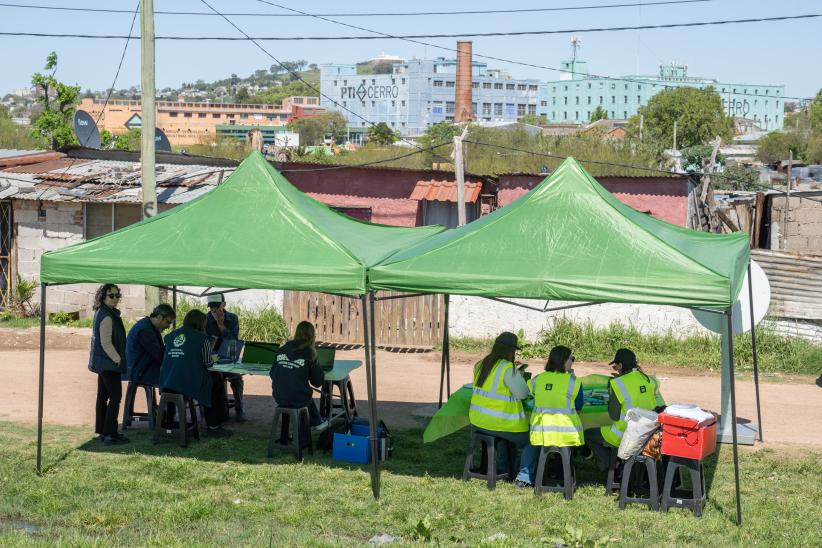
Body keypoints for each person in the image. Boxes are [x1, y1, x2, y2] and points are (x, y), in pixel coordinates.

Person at [468, 331, 535, 488]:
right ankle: (523, 477)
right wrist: (519, 376)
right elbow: (523, 394)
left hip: (478, 422)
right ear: (511, 350)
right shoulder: (507, 368)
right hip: (499, 423)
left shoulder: (480, 364)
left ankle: (506, 468)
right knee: (533, 439)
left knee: (508, 437)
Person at [584, 348, 665, 475]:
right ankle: (619, 463)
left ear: (621, 365)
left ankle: (611, 466)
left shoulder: (618, 384)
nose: (615, 369)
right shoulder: (649, 380)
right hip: (648, 432)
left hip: (625, 434)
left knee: (588, 434)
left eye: (615, 366)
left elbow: (614, 415)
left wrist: (614, 388)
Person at [159, 309, 231, 437]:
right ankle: (213, 425)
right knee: (216, 381)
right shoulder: (202, 338)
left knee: (213, 380)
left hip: (167, 381)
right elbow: (208, 363)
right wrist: (214, 358)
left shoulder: (170, 336)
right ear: (200, 323)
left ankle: (169, 421)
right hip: (187, 382)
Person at [269, 321, 325, 446]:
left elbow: (272, 373)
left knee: (299, 394)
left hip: (279, 396)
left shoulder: (282, 349)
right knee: (304, 397)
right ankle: (305, 438)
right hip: (298, 398)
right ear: (312, 336)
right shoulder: (310, 353)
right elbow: (317, 382)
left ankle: (287, 435)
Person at [88, 283, 128, 445]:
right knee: (115, 397)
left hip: (104, 363)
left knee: (103, 397)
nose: (115, 298)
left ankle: (104, 432)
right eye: (111, 295)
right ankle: (110, 433)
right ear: (103, 297)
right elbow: (106, 343)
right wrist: (118, 359)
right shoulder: (106, 315)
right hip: (109, 364)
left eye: (117, 295)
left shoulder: (104, 312)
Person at [528, 345, 585, 450]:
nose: (572, 362)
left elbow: (529, 394)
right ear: (563, 360)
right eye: (571, 359)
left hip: (540, 434)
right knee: (567, 455)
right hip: (567, 435)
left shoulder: (537, 379)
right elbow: (578, 406)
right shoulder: (574, 382)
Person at [205, 293, 245, 421]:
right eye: (211, 307)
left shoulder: (232, 318)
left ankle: (239, 408)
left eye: (216, 306)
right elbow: (204, 344)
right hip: (211, 360)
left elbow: (233, 342)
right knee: (213, 378)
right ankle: (217, 411)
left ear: (224, 304)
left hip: (228, 357)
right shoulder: (205, 319)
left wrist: (221, 325)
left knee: (237, 378)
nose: (214, 310)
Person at [125, 304, 175, 387]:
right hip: (140, 372)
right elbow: (160, 355)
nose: (168, 326)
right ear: (159, 317)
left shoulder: (150, 327)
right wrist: (171, 342)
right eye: (168, 322)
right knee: (175, 377)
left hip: (143, 368)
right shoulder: (145, 330)